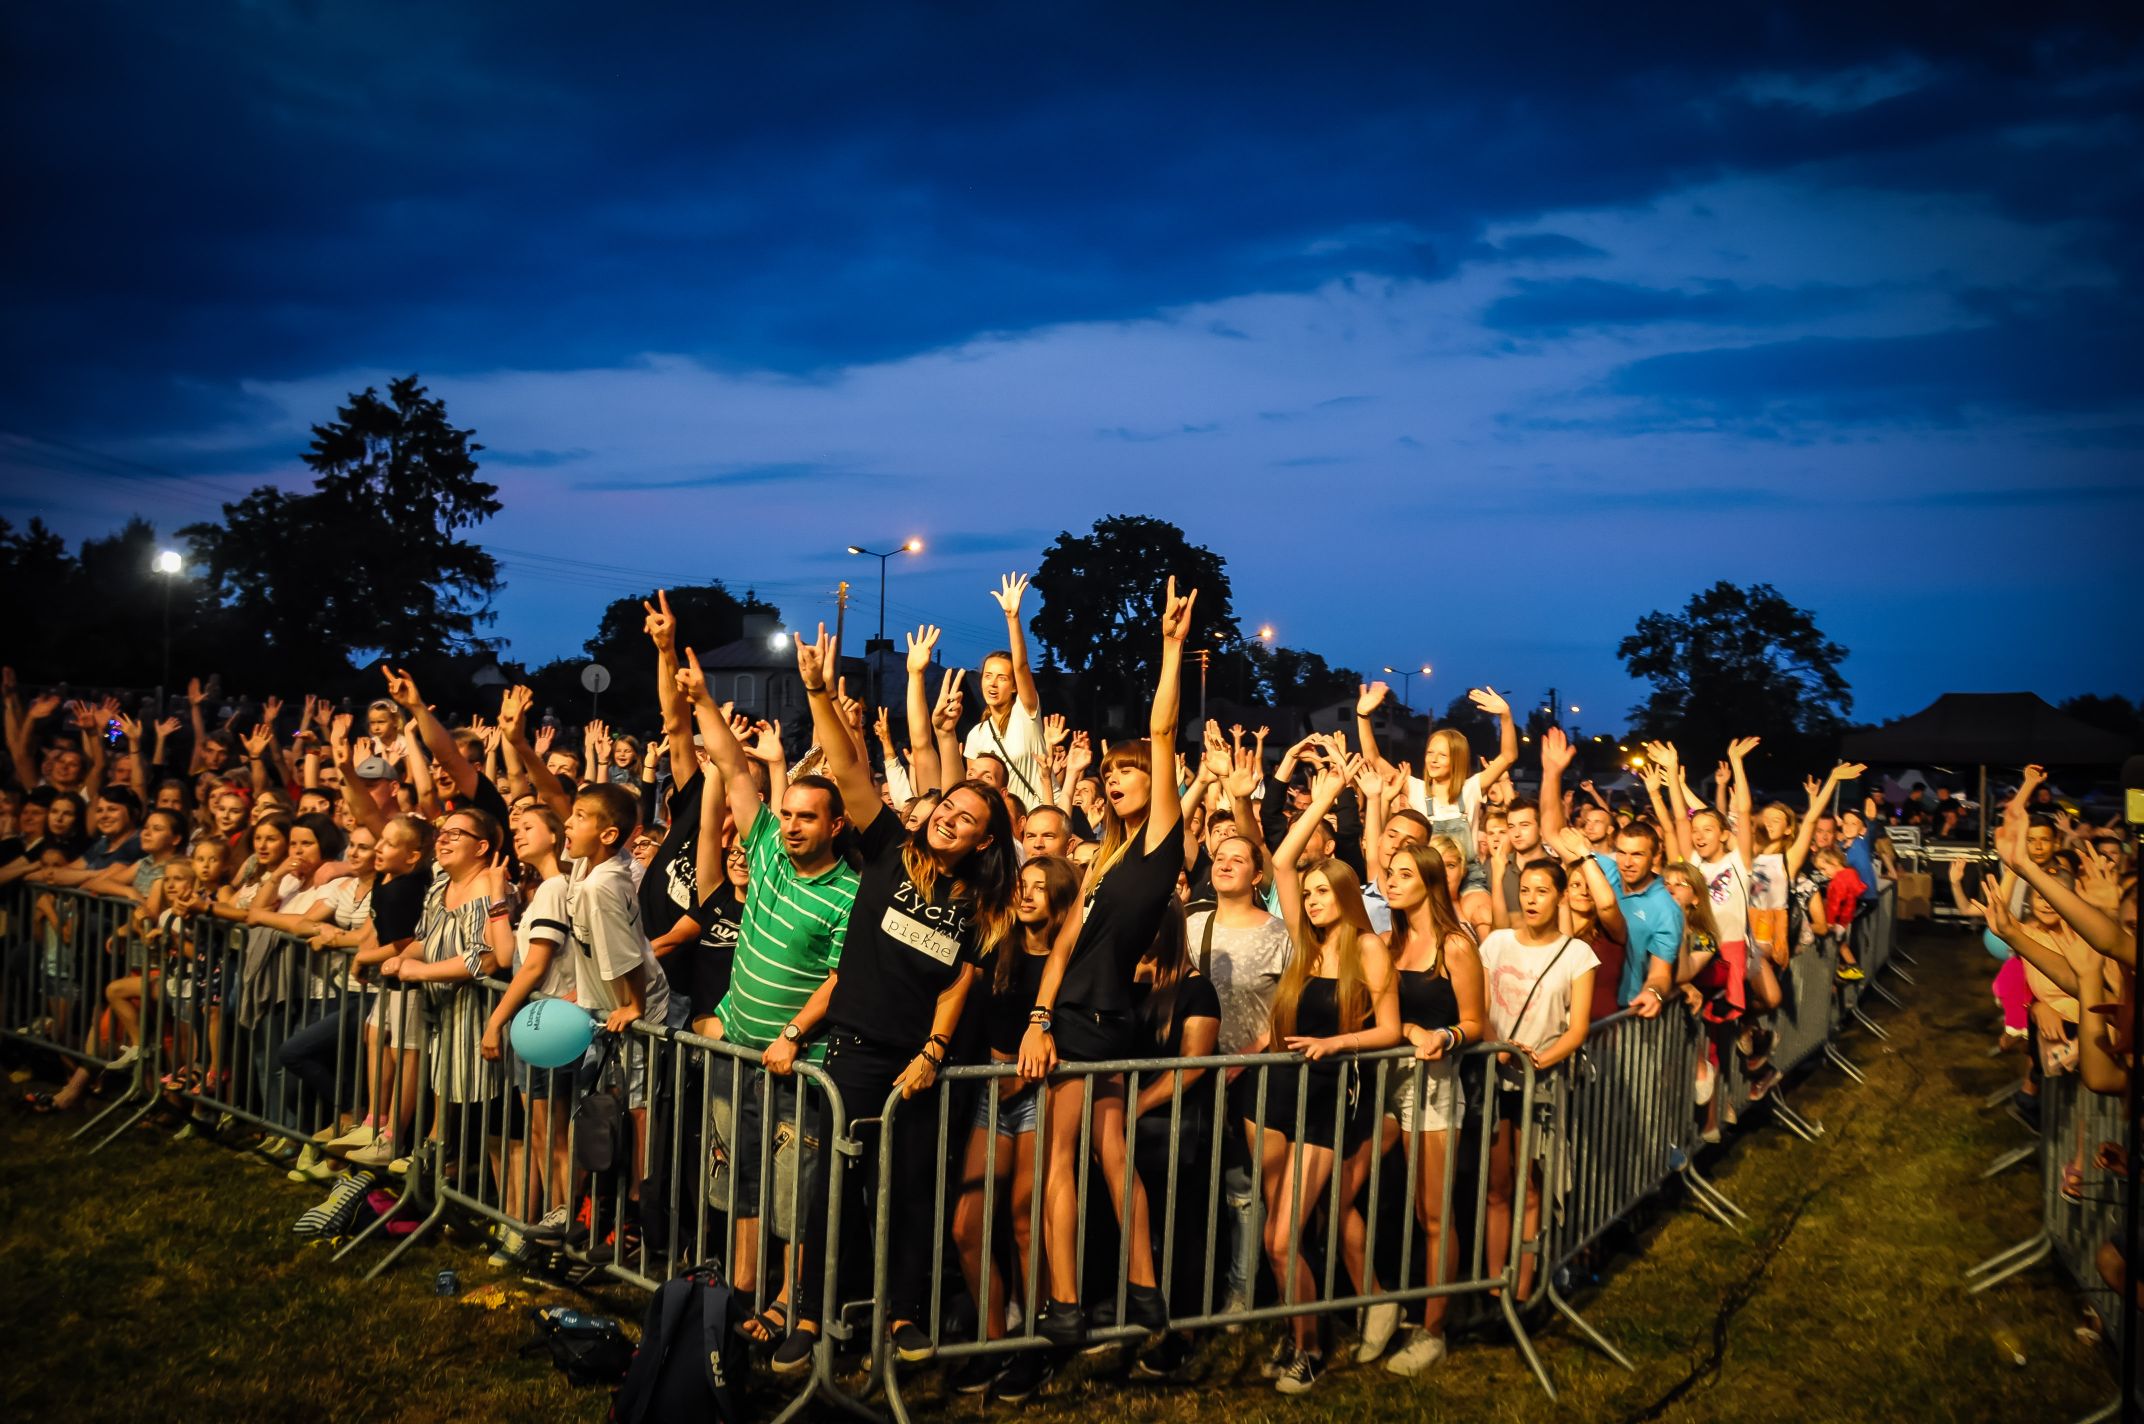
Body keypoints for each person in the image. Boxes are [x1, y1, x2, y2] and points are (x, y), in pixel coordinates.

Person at [765, 621, 1016, 1374]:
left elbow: (958, 983)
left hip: (918, 1069)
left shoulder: (980, 907)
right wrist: (817, 691)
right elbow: (849, 770)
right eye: (948, 807)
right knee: (829, 1192)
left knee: (906, 1194)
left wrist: (935, 1054)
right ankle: (808, 1315)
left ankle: (902, 1311)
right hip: (853, 1054)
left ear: (982, 842)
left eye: (967, 818)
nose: (948, 816)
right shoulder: (886, 852)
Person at [1020, 578, 1197, 1348]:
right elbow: (1060, 948)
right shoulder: (1100, 861)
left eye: (1125, 773)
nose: (1115, 779)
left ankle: (1096, 1295)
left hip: (1104, 1023)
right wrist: (1036, 1017)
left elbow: (1161, 734)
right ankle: (1111, 1296)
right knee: (1094, 1154)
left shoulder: (1160, 846)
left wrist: (1170, 647)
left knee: (1091, 1156)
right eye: (1110, 775)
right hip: (1076, 1018)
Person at [1250, 756, 1399, 1394]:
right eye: (1305, 895)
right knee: (1283, 1233)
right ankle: (1297, 1331)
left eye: (1320, 892)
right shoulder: (1303, 946)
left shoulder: (1366, 947)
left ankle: (1310, 1349)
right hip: (1284, 1093)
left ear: (1344, 892)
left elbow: (1390, 1031)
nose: (1309, 901)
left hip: (1332, 1098)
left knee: (1282, 1237)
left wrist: (1341, 1040)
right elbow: (1280, 862)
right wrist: (1323, 797)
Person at [950, 855, 1081, 1399]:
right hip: (990, 1090)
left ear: (1061, 897)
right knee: (968, 1226)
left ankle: (1035, 1345)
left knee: (1027, 1224)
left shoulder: (1070, 960)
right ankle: (993, 1340)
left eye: (1040, 888)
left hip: (1041, 1094)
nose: (1027, 894)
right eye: (1022, 885)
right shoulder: (997, 945)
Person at [1374, 838, 1484, 1375]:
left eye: (1402, 875)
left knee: (1433, 1214)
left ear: (1429, 883)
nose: (1390, 882)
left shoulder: (1454, 945)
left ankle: (1435, 1328)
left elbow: (1477, 1022)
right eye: (1388, 873)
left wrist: (1443, 1033)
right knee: (1361, 1189)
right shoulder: (1384, 943)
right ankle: (1380, 1305)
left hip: (1433, 1086)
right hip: (1383, 1088)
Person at [1477, 861, 1597, 1305]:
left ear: (1560, 896)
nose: (1529, 899)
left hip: (1539, 1081)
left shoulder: (1577, 955)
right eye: (1524, 890)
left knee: (1529, 1183)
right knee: (1496, 1184)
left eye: (1541, 890)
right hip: (1494, 1076)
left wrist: (1535, 1062)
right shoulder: (1496, 944)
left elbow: (1577, 1028)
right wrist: (1498, 1047)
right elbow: (1481, 1005)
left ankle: (1521, 1287)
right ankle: (1493, 1287)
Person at [481, 805, 578, 1251]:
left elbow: (535, 966)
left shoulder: (557, 887)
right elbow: (506, 958)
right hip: (535, 1023)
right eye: (515, 828)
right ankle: (545, 1227)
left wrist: (496, 1018)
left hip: (548, 1024)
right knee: (539, 1132)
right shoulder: (542, 890)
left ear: (556, 835)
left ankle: (562, 1225)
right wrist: (496, 897)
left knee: (554, 1134)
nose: (517, 834)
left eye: (528, 827)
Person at [962, 574, 1048, 810]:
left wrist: (1012, 617)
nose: (992, 684)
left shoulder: (1026, 713)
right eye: (988, 676)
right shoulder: (975, 735)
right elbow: (974, 790)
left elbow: (1021, 666)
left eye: (1002, 678)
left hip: (1036, 819)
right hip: (1003, 825)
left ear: (1013, 687)